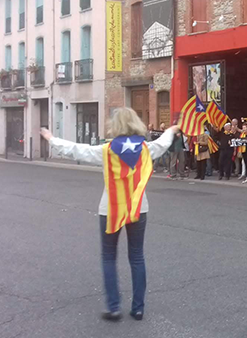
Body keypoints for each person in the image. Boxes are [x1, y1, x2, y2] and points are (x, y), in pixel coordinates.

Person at [40, 107, 179, 322]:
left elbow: (77, 150)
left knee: (108, 256)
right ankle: (138, 308)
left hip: (110, 208)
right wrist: (171, 129)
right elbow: (163, 143)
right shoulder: (145, 149)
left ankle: (114, 307)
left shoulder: (107, 150)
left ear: (115, 126)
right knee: (137, 256)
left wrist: (51, 139)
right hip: (138, 208)